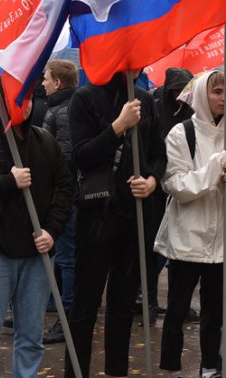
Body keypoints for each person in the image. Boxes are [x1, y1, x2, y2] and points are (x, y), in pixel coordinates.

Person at [0, 85, 74, 377]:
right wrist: (7, 181)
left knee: (31, 338)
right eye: (17, 100)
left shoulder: (44, 141)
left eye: (29, 98)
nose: (26, 105)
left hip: (36, 255)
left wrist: (52, 230)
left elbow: (64, 186)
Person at [65, 72, 167, 378]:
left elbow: (158, 155)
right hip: (96, 214)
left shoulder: (145, 98)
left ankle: (117, 372)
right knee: (85, 306)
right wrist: (118, 126)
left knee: (123, 306)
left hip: (134, 216)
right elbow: (82, 156)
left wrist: (151, 181)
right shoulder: (84, 97)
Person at [154, 71, 226, 378]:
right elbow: (175, 185)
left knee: (215, 311)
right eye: (217, 92)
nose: (224, 98)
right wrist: (211, 172)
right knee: (177, 310)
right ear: (200, 95)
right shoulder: (181, 134)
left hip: (222, 239)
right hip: (187, 239)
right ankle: (171, 367)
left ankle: (210, 366)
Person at [150, 67, 195, 324]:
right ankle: (149, 301)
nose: (180, 95)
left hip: (180, 184)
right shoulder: (157, 107)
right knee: (155, 249)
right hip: (157, 185)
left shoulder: (191, 111)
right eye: (176, 90)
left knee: (175, 250)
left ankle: (178, 305)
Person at [40, 59, 79, 344]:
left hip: (67, 197)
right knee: (59, 255)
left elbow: (63, 160)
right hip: (61, 194)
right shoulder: (58, 107)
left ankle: (67, 317)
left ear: (58, 82)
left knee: (67, 256)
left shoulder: (64, 111)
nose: (43, 82)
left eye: (46, 78)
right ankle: (54, 303)